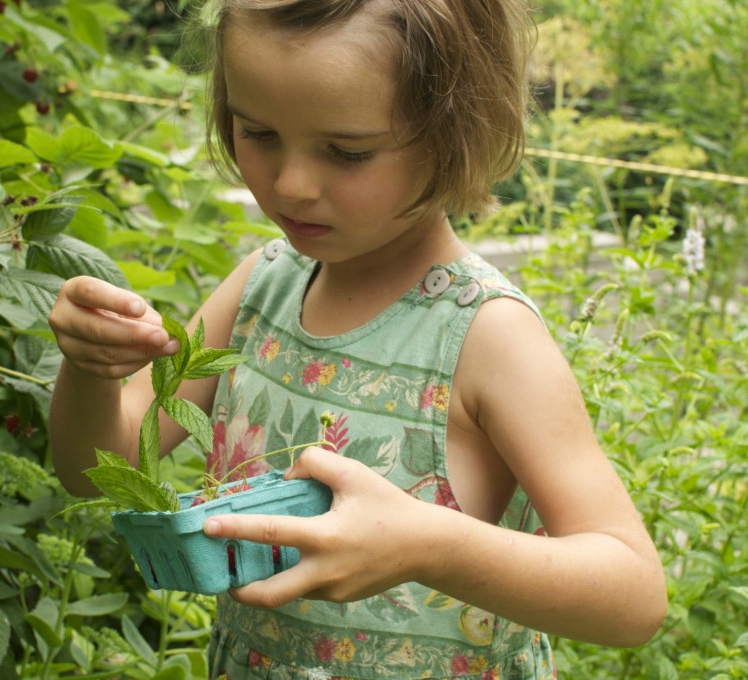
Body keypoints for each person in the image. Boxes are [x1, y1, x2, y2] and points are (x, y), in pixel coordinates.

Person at [48, 0, 667, 677]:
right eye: (257, 133)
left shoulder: (484, 335)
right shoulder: (261, 288)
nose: (290, 184)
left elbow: (632, 596)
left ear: (454, 131)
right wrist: (90, 373)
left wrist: (429, 545)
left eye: (348, 152)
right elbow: (95, 472)